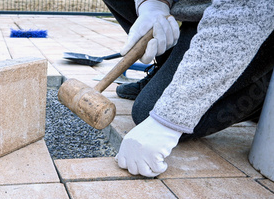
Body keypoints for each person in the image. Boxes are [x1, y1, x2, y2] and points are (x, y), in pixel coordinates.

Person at [101, 0, 274, 177]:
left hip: (252, 25)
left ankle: (260, 94)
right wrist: (152, 5)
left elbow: (243, 15)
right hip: (198, 17)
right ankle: (167, 70)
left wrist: (170, 117)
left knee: (149, 111)